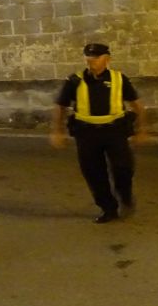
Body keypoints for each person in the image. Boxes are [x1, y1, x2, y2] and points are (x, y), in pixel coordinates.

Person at [50, 43, 147, 223]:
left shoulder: (119, 79)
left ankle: (125, 195)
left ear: (107, 59)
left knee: (123, 168)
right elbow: (60, 106)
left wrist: (141, 130)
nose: (91, 61)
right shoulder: (74, 80)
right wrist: (57, 131)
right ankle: (108, 208)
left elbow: (137, 105)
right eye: (88, 58)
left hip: (115, 131)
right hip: (86, 134)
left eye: (96, 58)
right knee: (94, 173)